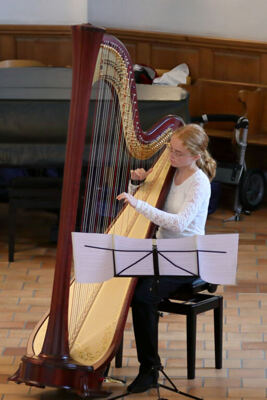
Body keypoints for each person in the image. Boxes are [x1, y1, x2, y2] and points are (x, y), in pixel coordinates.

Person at [117, 124, 216, 393]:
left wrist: (138, 203)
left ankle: (149, 369)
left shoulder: (199, 183)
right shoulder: (167, 172)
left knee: (142, 297)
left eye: (178, 153)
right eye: (170, 149)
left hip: (186, 258)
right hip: (159, 251)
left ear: (196, 155)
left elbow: (179, 223)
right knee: (118, 283)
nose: (171, 156)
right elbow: (140, 200)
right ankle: (101, 358)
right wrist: (136, 183)